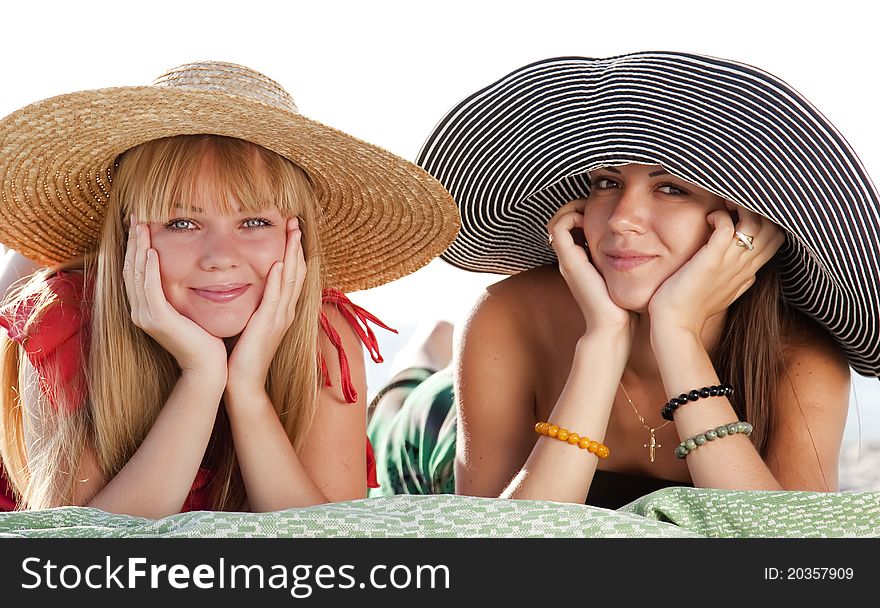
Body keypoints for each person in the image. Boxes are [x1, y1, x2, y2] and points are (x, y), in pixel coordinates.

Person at [368, 52, 880, 508]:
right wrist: (603, 341)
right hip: (433, 434)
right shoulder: (508, 315)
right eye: (607, 182)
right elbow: (504, 544)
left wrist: (677, 333)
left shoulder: (799, 358)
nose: (619, 219)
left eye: (672, 188)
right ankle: (420, 360)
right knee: (401, 404)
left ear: (745, 225)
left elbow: (784, 556)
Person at [0, 61, 459, 516]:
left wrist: (247, 389)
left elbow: (330, 554)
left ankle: (421, 360)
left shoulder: (325, 331)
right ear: (129, 237)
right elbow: (85, 562)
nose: (221, 255)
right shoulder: (63, 325)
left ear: (294, 236)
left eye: (254, 221)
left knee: (399, 402)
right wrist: (200, 377)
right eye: (182, 222)